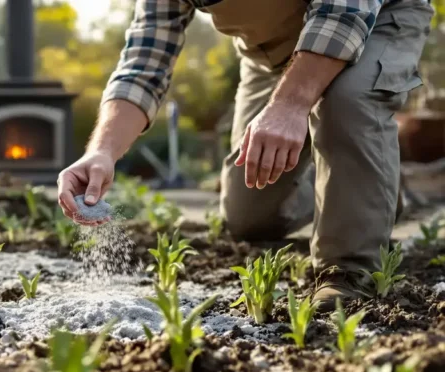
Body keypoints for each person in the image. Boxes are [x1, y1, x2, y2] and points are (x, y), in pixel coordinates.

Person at [56, 0, 434, 310]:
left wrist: (290, 105)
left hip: (373, 16)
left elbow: (344, 10)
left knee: (345, 102)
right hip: (271, 51)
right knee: (248, 213)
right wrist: (102, 152)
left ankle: (349, 270)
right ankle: (366, 185)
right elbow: (143, 63)